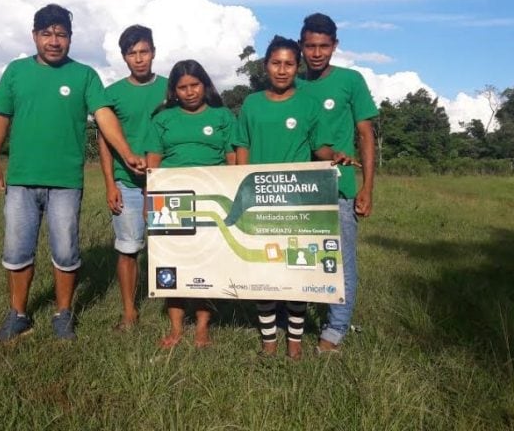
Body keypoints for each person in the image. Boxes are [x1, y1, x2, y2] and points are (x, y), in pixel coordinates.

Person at [0, 4, 145, 342]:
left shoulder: (84, 75)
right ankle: (18, 315)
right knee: (16, 251)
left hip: (66, 183)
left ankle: (63, 314)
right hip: (22, 180)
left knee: (66, 252)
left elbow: (103, 115)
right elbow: (0, 117)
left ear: (70, 39)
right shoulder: (15, 72)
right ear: (35, 36)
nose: (54, 41)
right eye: (47, 34)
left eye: (61, 34)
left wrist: (127, 153)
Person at [233, 35, 352, 360]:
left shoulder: (308, 105)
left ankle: (295, 343)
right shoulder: (252, 103)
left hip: (298, 201)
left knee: (298, 273)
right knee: (265, 273)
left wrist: (335, 155)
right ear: (265, 65)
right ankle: (269, 342)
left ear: (296, 67)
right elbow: (241, 145)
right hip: (260, 198)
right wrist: (242, 182)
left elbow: (319, 147)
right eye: (276, 63)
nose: (282, 70)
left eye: (288, 64)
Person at [298, 12, 378, 354]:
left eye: (323, 46)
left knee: (341, 261)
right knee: (301, 258)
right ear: (301, 47)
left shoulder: (351, 81)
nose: (316, 53)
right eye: (310, 46)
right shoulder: (292, 84)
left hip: (340, 188)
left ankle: (335, 330)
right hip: (299, 188)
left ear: (335, 46)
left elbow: (365, 135)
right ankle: (295, 320)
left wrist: (367, 187)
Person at [144, 59, 236, 348]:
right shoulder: (162, 119)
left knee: (207, 263)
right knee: (171, 265)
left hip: (212, 200)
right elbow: (153, 164)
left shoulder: (222, 116)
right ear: (174, 91)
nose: (190, 92)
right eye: (182, 87)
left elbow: (232, 159)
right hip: (171, 201)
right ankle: (175, 329)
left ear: (205, 84)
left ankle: (202, 327)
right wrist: (154, 198)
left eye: (194, 85)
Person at [97, 25, 167, 332]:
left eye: (144, 52)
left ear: (154, 52)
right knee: (128, 249)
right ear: (124, 57)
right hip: (127, 184)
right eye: (132, 54)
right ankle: (129, 312)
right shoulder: (111, 95)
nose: (139, 59)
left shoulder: (171, 88)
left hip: (166, 184)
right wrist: (110, 184)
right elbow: (104, 143)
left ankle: (177, 309)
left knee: (174, 247)